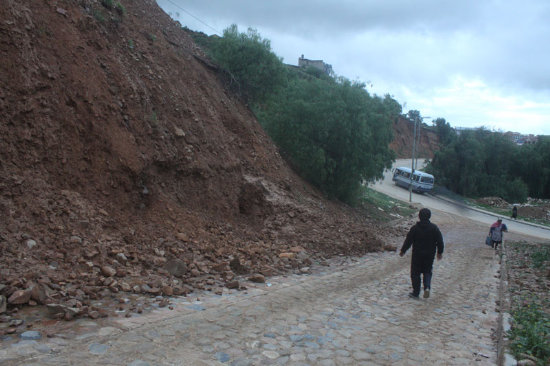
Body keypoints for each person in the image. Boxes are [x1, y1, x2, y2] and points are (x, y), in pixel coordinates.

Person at [399, 208, 444, 299]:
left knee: (415, 273)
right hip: (429, 255)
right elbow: (440, 241)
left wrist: (403, 250)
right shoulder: (434, 228)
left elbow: (408, 240)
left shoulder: (415, 228)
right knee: (427, 271)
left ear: (419, 216)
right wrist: (440, 252)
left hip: (417, 254)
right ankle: (427, 287)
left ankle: (416, 292)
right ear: (429, 217)